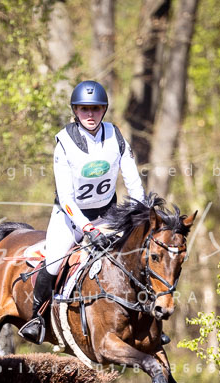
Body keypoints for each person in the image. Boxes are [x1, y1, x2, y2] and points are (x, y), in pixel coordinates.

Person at [20, 80, 145, 344]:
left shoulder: (116, 136)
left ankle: (148, 319)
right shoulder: (64, 142)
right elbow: (65, 197)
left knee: (138, 254)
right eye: (84, 109)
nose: (90, 114)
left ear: (104, 109)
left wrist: (140, 212)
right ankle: (37, 318)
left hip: (108, 214)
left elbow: (133, 180)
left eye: (96, 108)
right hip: (70, 216)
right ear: (75, 110)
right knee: (53, 261)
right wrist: (86, 227)